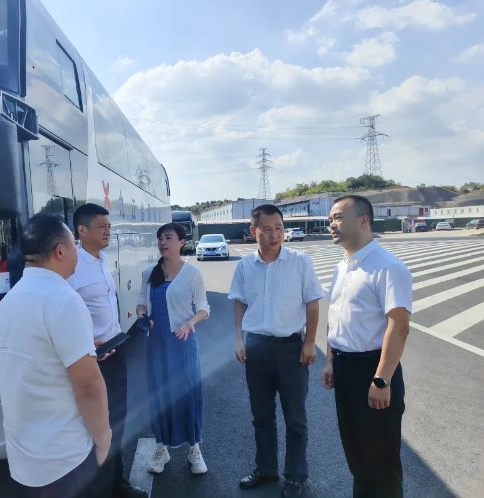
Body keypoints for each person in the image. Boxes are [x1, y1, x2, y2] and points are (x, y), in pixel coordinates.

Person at [0, 213, 113, 498]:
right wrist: (103, 439)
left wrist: (82, 348)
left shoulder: (10, 299)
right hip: (65, 457)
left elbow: (36, 355)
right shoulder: (64, 299)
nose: (77, 252)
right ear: (60, 251)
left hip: (25, 456)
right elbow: (88, 385)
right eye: (74, 244)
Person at [229, 205, 323, 498]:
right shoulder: (245, 265)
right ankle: (266, 469)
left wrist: (310, 341)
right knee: (261, 415)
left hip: (290, 349)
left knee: (295, 417)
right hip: (256, 348)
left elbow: (313, 302)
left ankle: (295, 476)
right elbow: (239, 302)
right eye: (267, 229)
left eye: (279, 228)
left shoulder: (300, 261)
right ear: (253, 231)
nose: (274, 234)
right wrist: (239, 338)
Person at [323, 195, 412, 498]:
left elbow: (398, 327)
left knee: (381, 461)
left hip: (373, 370)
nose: (331, 224)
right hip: (345, 369)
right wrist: (330, 361)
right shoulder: (342, 267)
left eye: (338, 217)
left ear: (364, 220)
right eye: (330, 219)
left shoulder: (387, 267)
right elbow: (336, 318)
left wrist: (382, 379)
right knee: (357, 456)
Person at [67, 203, 148, 498]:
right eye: (102, 226)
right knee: (96, 427)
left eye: (109, 226)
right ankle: (100, 487)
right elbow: (63, 314)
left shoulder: (102, 260)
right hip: (92, 358)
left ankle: (115, 482)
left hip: (115, 351)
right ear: (82, 230)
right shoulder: (72, 268)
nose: (108, 231)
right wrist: (85, 345)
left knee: (117, 421)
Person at [136, 222, 210, 475]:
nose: (162, 242)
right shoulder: (149, 272)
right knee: (160, 394)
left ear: (182, 242)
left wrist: (191, 322)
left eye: (168, 237)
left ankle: (194, 448)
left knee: (188, 393)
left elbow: (204, 308)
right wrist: (142, 316)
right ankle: (162, 447)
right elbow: (141, 303)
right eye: (160, 238)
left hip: (183, 343)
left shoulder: (192, 273)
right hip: (157, 344)